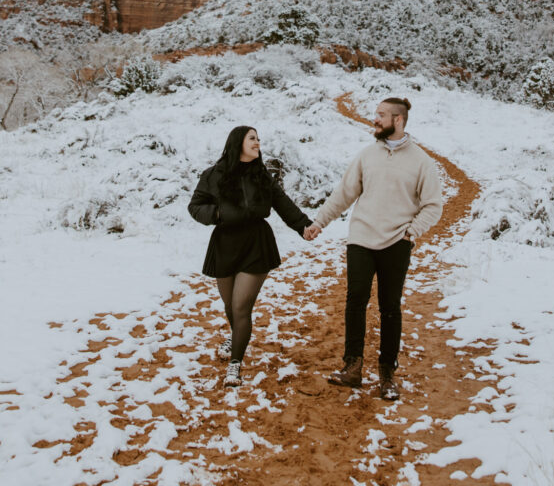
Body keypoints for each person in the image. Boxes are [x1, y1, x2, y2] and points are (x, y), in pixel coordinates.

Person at [304, 97, 443, 401]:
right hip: (361, 239)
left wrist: (412, 232)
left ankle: (387, 374)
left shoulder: (421, 161)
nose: (375, 119)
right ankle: (352, 367)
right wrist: (319, 223)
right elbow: (343, 195)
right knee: (355, 301)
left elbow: (434, 205)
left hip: (396, 242)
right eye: (376, 114)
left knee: (390, 308)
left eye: (381, 115)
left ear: (399, 120)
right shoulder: (367, 156)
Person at [188, 125, 312, 387]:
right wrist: (218, 214)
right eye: (252, 139)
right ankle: (237, 336)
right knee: (230, 306)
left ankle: (235, 364)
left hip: (256, 243)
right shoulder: (213, 175)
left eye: (258, 139)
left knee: (242, 306)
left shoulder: (261, 175)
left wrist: (304, 226)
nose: (258, 143)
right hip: (225, 243)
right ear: (238, 143)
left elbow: (282, 202)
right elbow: (195, 205)